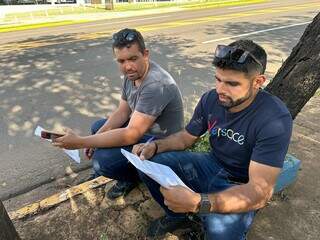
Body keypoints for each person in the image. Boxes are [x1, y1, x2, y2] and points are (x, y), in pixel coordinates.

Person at [132, 39, 293, 239]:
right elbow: (185, 138)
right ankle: (176, 215)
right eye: (217, 79)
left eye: (232, 83)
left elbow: (260, 193)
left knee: (221, 232)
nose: (220, 90)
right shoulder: (211, 99)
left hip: (241, 184)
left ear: (258, 82)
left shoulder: (274, 119)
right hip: (211, 163)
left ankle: (200, 216)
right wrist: (155, 145)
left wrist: (199, 202)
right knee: (149, 164)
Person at [53, 28, 184, 199]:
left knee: (102, 163)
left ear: (145, 54)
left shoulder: (156, 85)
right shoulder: (132, 75)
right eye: (121, 61)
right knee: (98, 127)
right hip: (145, 131)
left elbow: (131, 135)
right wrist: (95, 139)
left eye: (133, 58)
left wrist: (80, 142)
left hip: (162, 143)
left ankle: (133, 178)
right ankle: (126, 170)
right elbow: (122, 112)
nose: (127, 66)